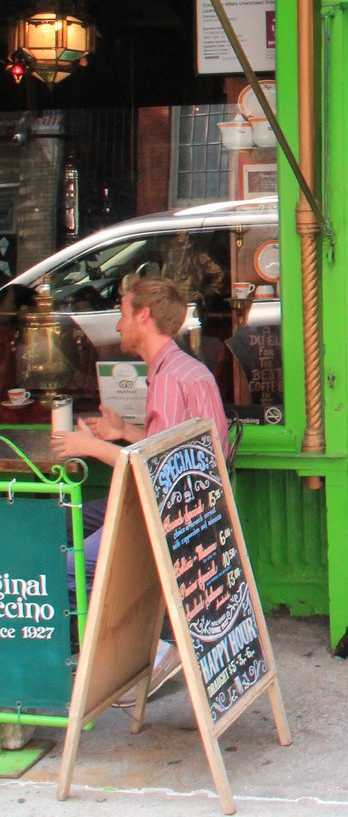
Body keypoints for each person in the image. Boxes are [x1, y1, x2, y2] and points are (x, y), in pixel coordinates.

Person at [52, 274, 230, 702]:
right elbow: (167, 447)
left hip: (176, 519)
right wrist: (124, 430)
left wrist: (91, 447)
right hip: (189, 507)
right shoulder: (181, 368)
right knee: (65, 521)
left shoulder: (170, 378)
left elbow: (162, 471)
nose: (117, 325)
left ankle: (151, 651)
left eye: (123, 312)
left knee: (71, 566)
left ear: (144, 317)